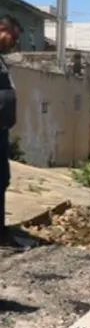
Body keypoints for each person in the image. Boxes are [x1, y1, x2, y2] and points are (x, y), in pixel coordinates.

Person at [0, 14, 22, 247]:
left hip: (2, 131)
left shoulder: (2, 60)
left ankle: (2, 233)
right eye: (12, 36)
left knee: (2, 179)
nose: (14, 42)